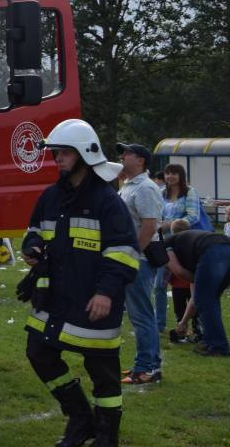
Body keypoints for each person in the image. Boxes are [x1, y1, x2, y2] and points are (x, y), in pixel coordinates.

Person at [21, 119, 135, 447]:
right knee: (38, 351)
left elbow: (124, 251)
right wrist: (32, 247)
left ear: (86, 154)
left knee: (103, 372)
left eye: (65, 153)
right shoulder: (51, 197)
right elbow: (34, 230)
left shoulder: (107, 201)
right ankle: (80, 418)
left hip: (93, 298)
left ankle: (106, 436)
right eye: (56, 153)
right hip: (55, 297)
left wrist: (105, 293)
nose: (57, 159)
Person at [113, 141, 163, 385]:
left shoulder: (145, 188)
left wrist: (132, 255)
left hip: (139, 260)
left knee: (141, 315)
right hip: (134, 258)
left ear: (141, 160)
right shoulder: (129, 185)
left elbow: (149, 226)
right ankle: (148, 364)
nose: (122, 156)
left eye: (127, 153)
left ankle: (147, 368)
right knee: (139, 314)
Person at [163, 225, 230, 357]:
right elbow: (195, 298)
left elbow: (179, 272)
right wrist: (183, 322)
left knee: (206, 300)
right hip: (224, 246)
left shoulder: (165, 247)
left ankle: (218, 346)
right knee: (210, 299)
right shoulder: (189, 253)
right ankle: (211, 340)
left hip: (212, 249)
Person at [156, 163, 201, 333]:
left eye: (174, 173)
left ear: (181, 175)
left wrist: (172, 225)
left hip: (183, 242)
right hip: (162, 242)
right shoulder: (161, 193)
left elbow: (194, 216)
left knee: (188, 284)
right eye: (167, 173)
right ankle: (159, 324)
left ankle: (195, 325)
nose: (170, 177)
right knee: (159, 285)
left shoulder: (190, 192)